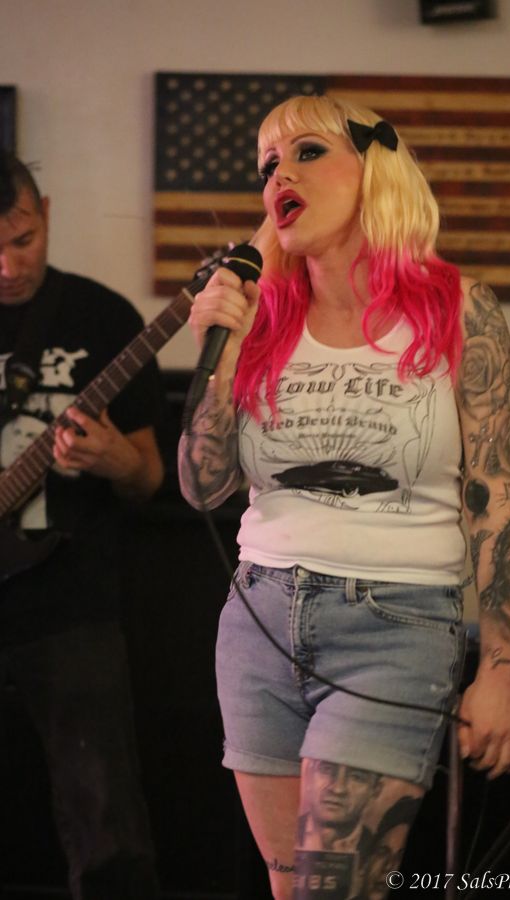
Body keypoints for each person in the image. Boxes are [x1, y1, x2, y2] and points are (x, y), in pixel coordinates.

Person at [178, 94, 510, 900]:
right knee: (290, 885)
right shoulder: (262, 314)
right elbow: (202, 486)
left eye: (306, 153)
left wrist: (499, 667)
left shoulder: (459, 307)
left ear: (375, 168)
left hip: (395, 623)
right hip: (261, 617)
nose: (280, 177)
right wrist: (219, 349)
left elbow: (494, 494)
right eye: (267, 165)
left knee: (333, 890)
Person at [0, 152, 164, 899]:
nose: (9, 267)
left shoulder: (103, 318)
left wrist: (115, 459)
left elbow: (150, 478)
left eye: (23, 240)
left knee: (106, 826)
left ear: (47, 214)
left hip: (70, 606)